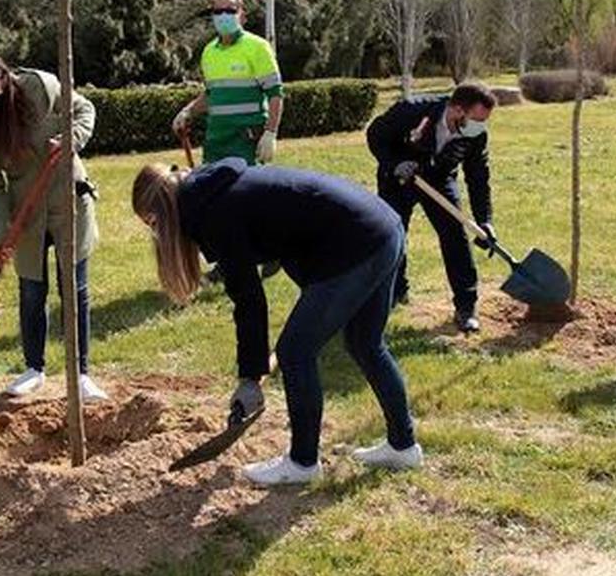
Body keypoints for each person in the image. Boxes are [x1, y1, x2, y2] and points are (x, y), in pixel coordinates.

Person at [131, 160, 421, 486]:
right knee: (365, 343)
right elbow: (287, 236)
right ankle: (403, 445)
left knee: (296, 352)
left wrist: (249, 378)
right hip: (381, 227)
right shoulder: (213, 190)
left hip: (357, 242)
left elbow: (249, 299)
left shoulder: (214, 213)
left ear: (163, 210)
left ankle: (302, 463)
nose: (156, 234)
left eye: (153, 223)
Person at [0, 48, 107, 401]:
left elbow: (84, 109)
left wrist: (72, 139)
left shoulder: (39, 86)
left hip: (70, 199)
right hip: (26, 215)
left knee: (74, 289)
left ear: (5, 79)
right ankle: (34, 368)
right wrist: (0, 233)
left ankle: (81, 374)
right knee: (31, 290)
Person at [365, 82, 497, 333]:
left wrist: (485, 220)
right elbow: (376, 135)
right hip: (399, 177)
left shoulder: (475, 135)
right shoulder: (412, 111)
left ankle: (466, 306)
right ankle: (395, 290)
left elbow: (478, 177)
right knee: (393, 235)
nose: (481, 126)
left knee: (455, 235)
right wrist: (394, 163)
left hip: (439, 178)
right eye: (477, 119)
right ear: (457, 109)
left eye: (484, 121)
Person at [171, 0, 285, 165]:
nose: (224, 16)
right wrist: (189, 111)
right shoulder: (209, 52)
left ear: (241, 14)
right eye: (218, 11)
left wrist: (270, 133)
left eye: (230, 11)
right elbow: (211, 94)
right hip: (216, 142)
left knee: (244, 192)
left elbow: (275, 94)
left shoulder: (258, 47)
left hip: (246, 141)